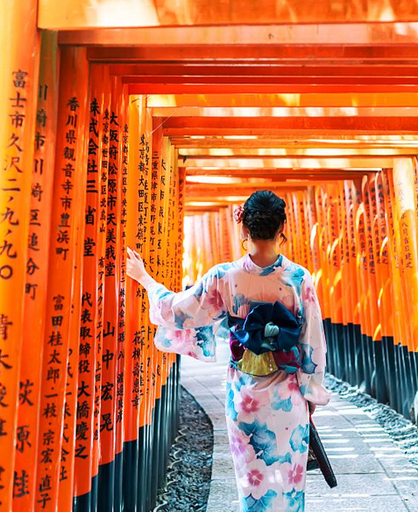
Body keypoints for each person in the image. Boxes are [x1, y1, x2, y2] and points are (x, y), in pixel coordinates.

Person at [126, 190, 330, 512]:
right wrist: (311, 394)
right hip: (288, 399)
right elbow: (312, 343)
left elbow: (179, 311)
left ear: (244, 229)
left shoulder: (225, 276)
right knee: (289, 490)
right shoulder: (298, 278)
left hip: (245, 398)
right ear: (283, 228)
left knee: (253, 491)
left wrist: (146, 280)